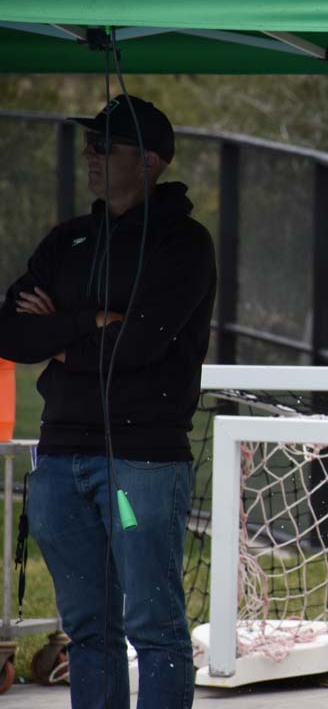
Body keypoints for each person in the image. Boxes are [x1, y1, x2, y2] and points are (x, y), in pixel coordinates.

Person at [0, 95, 215, 708]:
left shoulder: (185, 244)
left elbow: (141, 344)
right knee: (89, 630)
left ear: (148, 161)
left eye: (105, 145)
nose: (90, 156)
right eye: (90, 143)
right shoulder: (68, 240)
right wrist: (91, 322)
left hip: (140, 463)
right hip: (62, 460)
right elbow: (11, 331)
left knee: (152, 625)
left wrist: (61, 332)